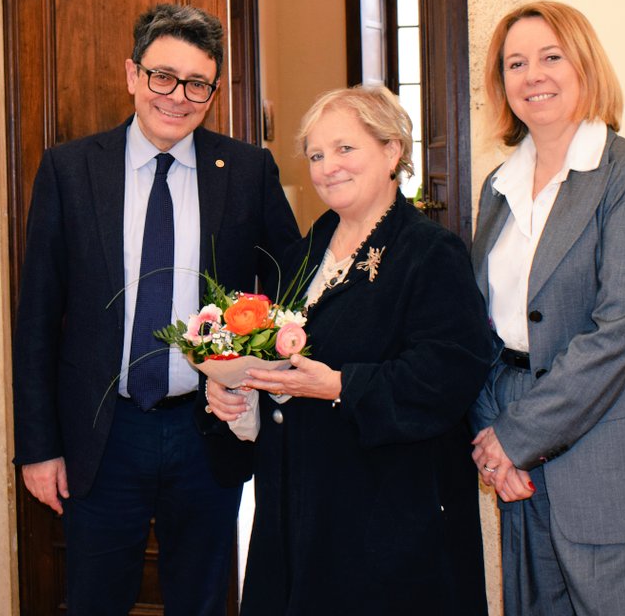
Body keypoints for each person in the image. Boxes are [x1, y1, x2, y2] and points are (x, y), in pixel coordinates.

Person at [11, 3, 300, 615]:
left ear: (213, 92)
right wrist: (38, 447)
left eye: (197, 84)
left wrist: (254, 375)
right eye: (162, 76)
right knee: (95, 601)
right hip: (101, 435)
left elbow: (290, 291)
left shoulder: (247, 170)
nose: (177, 97)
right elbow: (36, 318)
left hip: (207, 432)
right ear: (132, 75)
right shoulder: (69, 169)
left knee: (202, 600)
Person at [205, 85, 493, 615]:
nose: (327, 167)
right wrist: (236, 393)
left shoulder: (430, 251)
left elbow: (448, 374)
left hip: (383, 519)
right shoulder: (304, 253)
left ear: (392, 150)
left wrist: (340, 385)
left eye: (344, 148)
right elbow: (279, 362)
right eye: (316, 155)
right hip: (297, 507)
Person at [469, 0, 625, 615]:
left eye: (551, 56)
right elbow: (481, 328)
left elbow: (620, 329)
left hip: (613, 454)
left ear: (585, 66)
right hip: (518, 454)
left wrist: (515, 436)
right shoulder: (498, 187)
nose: (533, 75)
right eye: (515, 63)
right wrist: (492, 436)